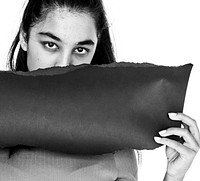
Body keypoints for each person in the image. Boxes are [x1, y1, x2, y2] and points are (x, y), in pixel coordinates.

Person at [6, 0, 200, 180]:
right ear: (25, 36)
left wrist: (173, 176)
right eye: (51, 45)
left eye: (81, 50)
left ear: (96, 46)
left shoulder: (115, 143)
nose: (64, 64)